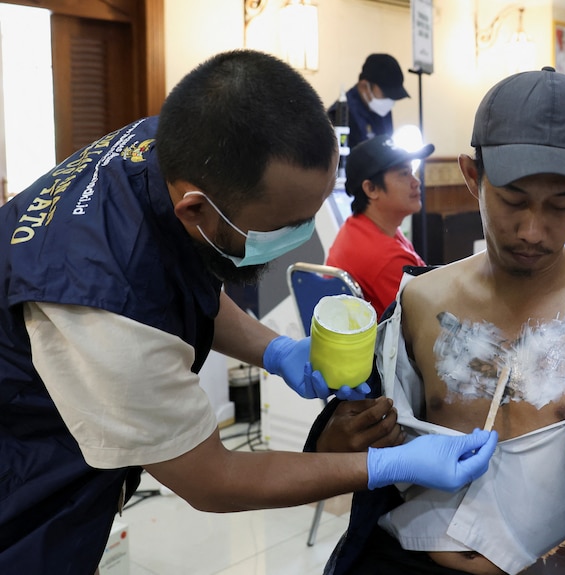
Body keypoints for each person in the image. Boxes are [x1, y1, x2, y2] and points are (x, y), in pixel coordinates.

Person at [0, 50, 498, 574]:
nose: (302, 238)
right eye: (286, 225)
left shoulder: (173, 144)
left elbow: (177, 281)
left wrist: (276, 351)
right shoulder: (102, 313)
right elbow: (211, 480)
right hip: (24, 483)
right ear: (196, 208)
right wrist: (383, 465)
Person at [306, 67, 565, 575]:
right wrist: (339, 441)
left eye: (561, 204)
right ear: (471, 176)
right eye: (512, 200)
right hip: (408, 560)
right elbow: (353, 437)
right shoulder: (419, 301)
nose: (533, 230)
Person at [326, 135, 431, 317]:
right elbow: (430, 317)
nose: (416, 182)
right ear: (371, 189)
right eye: (404, 174)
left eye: (412, 172)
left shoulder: (358, 227)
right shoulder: (385, 258)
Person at [328, 53, 410, 150]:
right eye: (385, 95)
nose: (389, 101)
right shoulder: (340, 114)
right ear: (364, 86)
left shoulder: (382, 111)